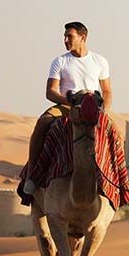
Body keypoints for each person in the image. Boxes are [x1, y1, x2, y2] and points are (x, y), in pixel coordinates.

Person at [23, 21, 112, 194]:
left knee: (115, 134)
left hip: (92, 107)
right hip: (67, 105)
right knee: (42, 124)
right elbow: (50, 92)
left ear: (82, 38)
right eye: (64, 36)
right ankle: (31, 175)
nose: (65, 40)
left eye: (69, 36)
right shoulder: (60, 61)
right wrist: (71, 102)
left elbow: (107, 91)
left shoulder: (100, 61)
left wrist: (104, 110)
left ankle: (117, 183)